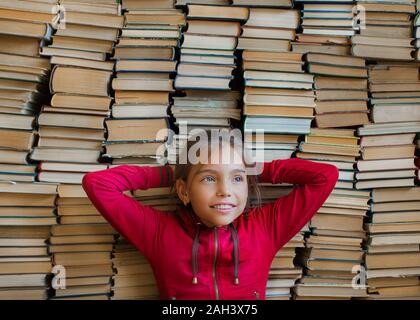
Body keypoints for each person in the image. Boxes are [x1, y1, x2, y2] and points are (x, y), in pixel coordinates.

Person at [82, 129, 339, 300]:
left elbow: (325, 176)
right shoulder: (159, 232)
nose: (225, 191)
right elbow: (98, 184)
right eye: (208, 178)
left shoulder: (266, 228)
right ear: (184, 191)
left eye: (237, 178)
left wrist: (255, 169)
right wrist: (173, 175)